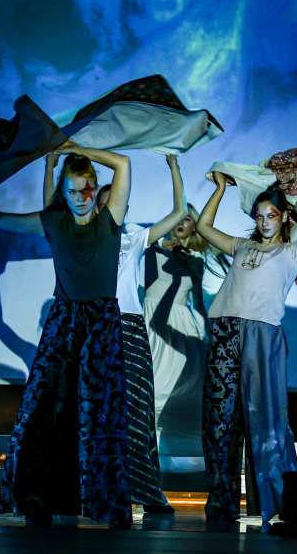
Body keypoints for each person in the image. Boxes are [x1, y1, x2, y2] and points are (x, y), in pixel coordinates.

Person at [0, 142, 132, 527]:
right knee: (45, 407)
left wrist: (77, 148)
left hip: (101, 325)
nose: (81, 198)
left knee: (100, 413)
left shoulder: (110, 218)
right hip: (64, 321)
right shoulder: (55, 222)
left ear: (95, 188)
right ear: (64, 193)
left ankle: (102, 500)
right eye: (73, 191)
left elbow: (122, 163)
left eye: (87, 189)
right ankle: (36, 496)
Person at [40, 151, 187, 516]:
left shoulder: (134, 236)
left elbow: (179, 214)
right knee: (91, 409)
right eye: (100, 203)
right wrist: (50, 166)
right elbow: (49, 211)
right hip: (94, 324)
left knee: (134, 408)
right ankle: (90, 490)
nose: (106, 208)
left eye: (111, 202)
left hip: (129, 326)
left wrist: (174, 169)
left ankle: (145, 490)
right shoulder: (80, 235)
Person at [196, 174, 297, 525]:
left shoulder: (291, 251)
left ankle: (278, 505)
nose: (264, 222)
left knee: (266, 420)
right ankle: (220, 504)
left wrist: (293, 203)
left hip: (261, 334)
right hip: (224, 330)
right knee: (219, 421)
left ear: (282, 217)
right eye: (259, 216)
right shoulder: (242, 246)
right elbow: (204, 227)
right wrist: (220, 189)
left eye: (271, 215)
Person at [143, 204, 218, 471]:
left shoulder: (197, 258)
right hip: (153, 322)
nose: (180, 223)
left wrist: (209, 337)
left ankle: (178, 463)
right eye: (176, 218)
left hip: (183, 328)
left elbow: (198, 303)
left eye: (187, 219)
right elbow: (132, 232)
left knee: (182, 391)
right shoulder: (152, 248)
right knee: (152, 387)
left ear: (195, 225)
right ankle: (145, 459)